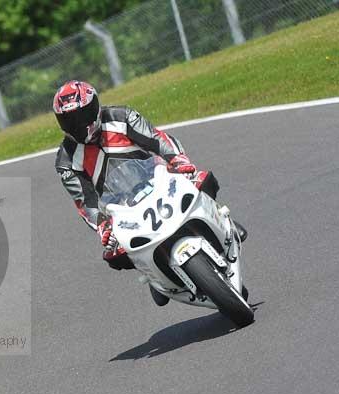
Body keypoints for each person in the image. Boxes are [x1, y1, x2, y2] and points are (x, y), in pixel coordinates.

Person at [52, 80, 246, 275]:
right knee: (116, 253)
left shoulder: (121, 117)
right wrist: (103, 225)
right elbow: (85, 202)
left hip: (160, 179)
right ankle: (154, 276)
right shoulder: (66, 160)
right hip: (121, 207)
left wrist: (180, 162)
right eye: (70, 120)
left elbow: (157, 140)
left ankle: (221, 219)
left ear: (94, 107)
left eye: (82, 116)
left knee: (201, 180)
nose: (78, 125)